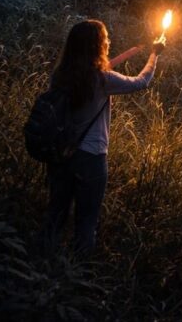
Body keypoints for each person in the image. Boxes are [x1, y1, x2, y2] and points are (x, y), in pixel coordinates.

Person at [41, 20, 164, 254]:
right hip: (91, 158)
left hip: (59, 153)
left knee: (55, 212)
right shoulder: (102, 80)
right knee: (86, 222)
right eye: (105, 38)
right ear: (96, 45)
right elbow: (142, 82)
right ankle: (75, 276)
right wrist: (154, 54)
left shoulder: (60, 75)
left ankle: (42, 263)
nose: (108, 42)